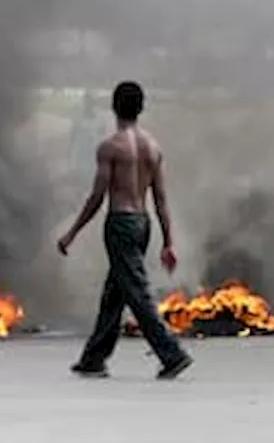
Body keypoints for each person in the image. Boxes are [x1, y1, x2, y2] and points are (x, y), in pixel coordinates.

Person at [56, 81, 193, 380]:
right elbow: (160, 199)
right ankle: (94, 358)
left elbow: (97, 196)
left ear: (114, 107)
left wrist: (72, 232)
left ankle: (172, 354)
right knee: (115, 292)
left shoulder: (111, 147)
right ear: (141, 108)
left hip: (120, 223)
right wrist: (167, 241)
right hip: (143, 223)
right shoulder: (153, 148)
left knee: (136, 293)